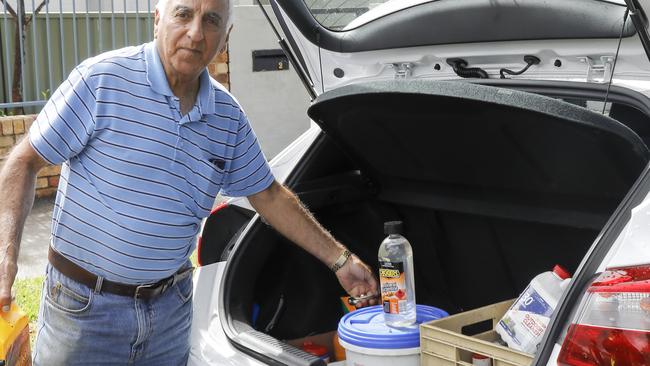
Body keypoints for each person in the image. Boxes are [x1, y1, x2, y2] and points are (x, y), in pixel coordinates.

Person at [0, 0, 378, 364]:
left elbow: (269, 195)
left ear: (226, 36)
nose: (196, 34)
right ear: (157, 19)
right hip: (84, 310)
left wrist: (341, 261)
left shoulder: (227, 117)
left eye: (212, 21)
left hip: (170, 313)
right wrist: (5, 255)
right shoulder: (101, 81)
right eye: (184, 15)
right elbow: (24, 162)